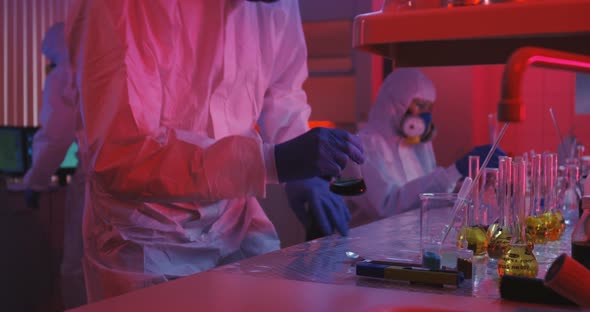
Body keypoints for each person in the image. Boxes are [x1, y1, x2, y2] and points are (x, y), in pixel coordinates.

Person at [65, 0, 363, 302]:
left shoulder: (276, 5)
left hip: (236, 223)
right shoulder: (121, 8)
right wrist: (272, 162)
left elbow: (283, 90)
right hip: (147, 240)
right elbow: (121, 156)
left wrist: (303, 172)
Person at [347, 68, 505, 227]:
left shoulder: (418, 146)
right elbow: (387, 207)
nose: (425, 115)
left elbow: (428, 195)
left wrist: (464, 186)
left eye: (429, 108)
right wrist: (454, 171)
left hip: (406, 240)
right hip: (367, 246)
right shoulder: (363, 147)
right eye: (420, 105)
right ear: (393, 105)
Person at [22, 22, 87, 308]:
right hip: (146, 185)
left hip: (99, 187)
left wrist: (34, 183)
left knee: (78, 266)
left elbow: (55, 137)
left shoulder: (65, 75)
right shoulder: (110, 63)